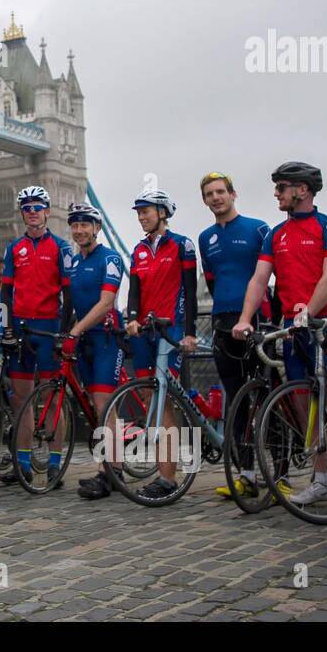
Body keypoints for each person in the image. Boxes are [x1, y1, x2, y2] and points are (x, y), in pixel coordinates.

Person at [233, 162, 327, 509]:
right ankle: (323, 477)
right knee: (301, 401)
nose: (276, 194)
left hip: (326, 323)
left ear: (302, 190)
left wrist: (307, 312)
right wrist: (244, 319)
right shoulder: (276, 234)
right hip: (291, 325)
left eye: (282, 187)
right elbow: (259, 279)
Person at [196, 172, 277, 501]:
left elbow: (274, 273)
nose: (216, 198)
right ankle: (246, 475)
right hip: (222, 322)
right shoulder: (205, 237)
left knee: (268, 397)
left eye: (221, 192)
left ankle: (279, 476)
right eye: (209, 194)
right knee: (237, 400)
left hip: (257, 320)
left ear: (233, 194)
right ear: (205, 201)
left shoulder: (258, 228)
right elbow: (212, 281)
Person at [125, 189, 199, 500]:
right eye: (139, 212)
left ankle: (167, 476)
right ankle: (163, 468)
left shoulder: (182, 245)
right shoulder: (139, 250)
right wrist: (131, 317)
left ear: (163, 213)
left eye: (147, 211)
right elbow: (134, 290)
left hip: (172, 329)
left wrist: (190, 332)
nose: (142, 217)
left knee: (164, 398)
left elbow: (192, 292)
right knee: (149, 395)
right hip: (145, 330)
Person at [0, 185, 74, 484]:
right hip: (20, 327)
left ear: (47, 211)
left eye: (37, 207)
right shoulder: (13, 248)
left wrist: (65, 331)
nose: (32, 212)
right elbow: (5, 291)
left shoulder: (60, 247)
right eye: (26, 207)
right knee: (21, 399)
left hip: (48, 327)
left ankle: (54, 465)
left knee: (54, 398)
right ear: (22, 213)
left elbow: (68, 294)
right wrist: (4, 326)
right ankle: (24, 464)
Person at [61, 203, 126, 500]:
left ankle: (110, 472)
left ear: (97, 228)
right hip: (86, 339)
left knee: (104, 404)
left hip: (106, 337)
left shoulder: (110, 258)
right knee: (96, 405)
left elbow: (105, 303)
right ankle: (112, 465)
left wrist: (75, 330)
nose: (79, 230)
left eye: (85, 224)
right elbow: (71, 305)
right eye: (74, 225)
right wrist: (67, 331)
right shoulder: (73, 263)